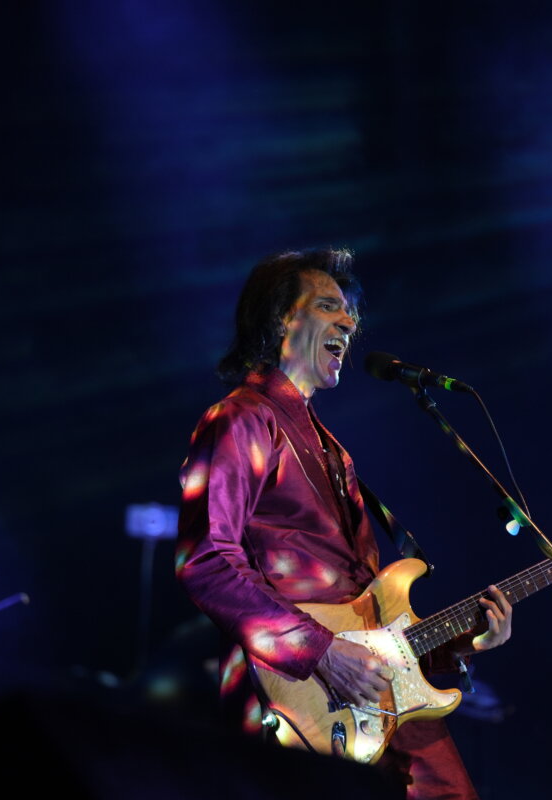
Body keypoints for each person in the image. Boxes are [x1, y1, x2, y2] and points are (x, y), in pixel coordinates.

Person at [175, 248, 511, 799]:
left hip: (383, 698)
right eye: (329, 306)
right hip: (299, 700)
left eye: (350, 313)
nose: (350, 323)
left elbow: (373, 612)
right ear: (284, 318)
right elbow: (206, 561)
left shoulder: (333, 451)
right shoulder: (241, 419)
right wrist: (322, 651)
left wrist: (462, 641)